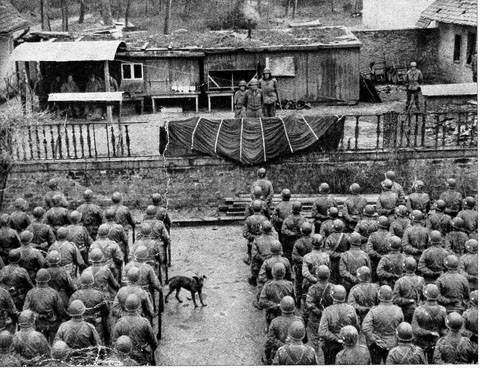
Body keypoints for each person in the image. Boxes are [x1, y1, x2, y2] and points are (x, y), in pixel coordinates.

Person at [362, 285, 404, 364]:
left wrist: (373, 339)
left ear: (379, 296)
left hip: (377, 343)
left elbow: (365, 327)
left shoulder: (374, 310)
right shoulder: (399, 310)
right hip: (393, 343)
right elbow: (401, 329)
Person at [318, 284, 359, 364]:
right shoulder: (351, 309)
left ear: (332, 296)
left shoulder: (327, 311)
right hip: (347, 344)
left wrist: (336, 339)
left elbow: (322, 331)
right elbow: (356, 327)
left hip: (330, 346)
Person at [112, 294, 157, 365]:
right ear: (139, 307)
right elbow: (153, 342)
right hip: (142, 357)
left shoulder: (120, 323)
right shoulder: (145, 322)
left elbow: (114, 343)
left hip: (126, 359)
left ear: (126, 307)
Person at [23, 268, 65, 344]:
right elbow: (61, 310)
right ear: (48, 279)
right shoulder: (54, 293)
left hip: (37, 324)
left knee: (40, 345)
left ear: (36, 280)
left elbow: (25, 310)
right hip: (52, 323)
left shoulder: (30, 293)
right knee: (53, 344)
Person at [69, 271, 110, 345]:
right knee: (99, 343)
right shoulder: (99, 294)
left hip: (80, 325)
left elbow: (70, 311)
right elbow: (106, 310)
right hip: (97, 324)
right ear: (92, 281)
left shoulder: (74, 295)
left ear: (81, 282)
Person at [411, 284, 447, 363]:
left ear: (425, 294)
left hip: (421, 342)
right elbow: (445, 330)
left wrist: (428, 332)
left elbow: (415, 330)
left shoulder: (418, 310)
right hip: (436, 342)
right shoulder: (443, 310)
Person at [264, 296, 303, 364]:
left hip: (279, 354)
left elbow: (269, 342)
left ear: (281, 308)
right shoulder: (300, 321)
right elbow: (303, 339)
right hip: (297, 354)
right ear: (294, 308)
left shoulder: (275, 322)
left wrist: (267, 357)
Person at [304, 265, 334, 352]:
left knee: (314, 338)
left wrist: (319, 312)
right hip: (330, 318)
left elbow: (309, 303)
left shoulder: (313, 288)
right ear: (329, 275)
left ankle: (316, 353)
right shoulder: (334, 288)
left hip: (316, 318)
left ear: (317, 275)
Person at [258, 263, 294, 327]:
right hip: (287, 314)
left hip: (272, 314)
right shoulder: (290, 285)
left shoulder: (268, 286)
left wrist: (275, 305)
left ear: (272, 273)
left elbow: (262, 302)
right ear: (284, 273)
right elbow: (293, 301)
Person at [393, 256, 425, 323]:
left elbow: (395, 299)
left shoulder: (399, 281)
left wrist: (408, 301)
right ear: (415, 268)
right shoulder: (421, 280)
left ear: (404, 268)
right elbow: (424, 297)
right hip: (418, 310)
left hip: (405, 312)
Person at [291, 222, 313, 306]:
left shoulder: (298, 242)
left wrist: (303, 260)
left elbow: (294, 256)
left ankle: (298, 301)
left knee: (298, 284)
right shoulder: (314, 241)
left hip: (300, 267)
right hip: (311, 267)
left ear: (301, 231)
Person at [250, 220, 276, 286]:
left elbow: (254, 255)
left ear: (261, 229)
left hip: (260, 264)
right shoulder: (275, 239)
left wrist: (263, 259)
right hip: (273, 263)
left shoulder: (257, 240)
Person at [243, 200, 268, 265]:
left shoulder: (249, 219)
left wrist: (254, 238)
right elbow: (269, 231)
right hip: (263, 242)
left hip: (251, 242)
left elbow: (245, 233)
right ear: (261, 208)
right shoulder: (265, 219)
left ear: (252, 208)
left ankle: (250, 258)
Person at [324, 219, 350, 284]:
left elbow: (327, 251)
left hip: (333, 261)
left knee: (333, 279)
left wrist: (337, 255)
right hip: (344, 260)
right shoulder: (347, 236)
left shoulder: (330, 237)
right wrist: (343, 255)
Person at [366, 216, 391, 281]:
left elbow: (369, 251)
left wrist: (379, 256)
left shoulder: (373, 235)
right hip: (387, 264)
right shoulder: (391, 236)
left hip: (375, 263)